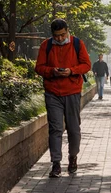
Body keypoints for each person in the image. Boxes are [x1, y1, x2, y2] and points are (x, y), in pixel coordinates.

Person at [35, 18, 91, 178]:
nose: (59, 38)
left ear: (68, 31)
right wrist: (52, 71)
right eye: (56, 35)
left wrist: (71, 71)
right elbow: (38, 67)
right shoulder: (46, 45)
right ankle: (56, 164)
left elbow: (87, 65)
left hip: (72, 91)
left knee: (73, 128)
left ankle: (73, 157)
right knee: (55, 129)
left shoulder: (77, 44)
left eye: (62, 34)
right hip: (52, 92)